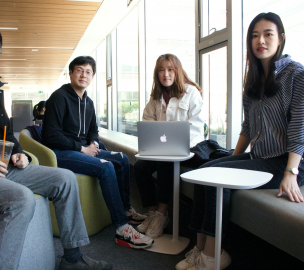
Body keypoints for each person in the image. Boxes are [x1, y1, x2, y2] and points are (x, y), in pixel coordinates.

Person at [0, 19, 112, 270]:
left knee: (65, 179)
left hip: (4, 167)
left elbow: (6, 134)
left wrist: (19, 153)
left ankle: (72, 259)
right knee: (22, 199)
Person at [176, 12, 304, 270]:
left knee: (216, 179)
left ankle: (214, 255)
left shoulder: (296, 74)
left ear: (281, 38)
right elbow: (247, 127)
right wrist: (230, 159)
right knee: (206, 171)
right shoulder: (253, 79)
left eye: (268, 34)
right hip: (261, 157)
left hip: (287, 162)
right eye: (255, 35)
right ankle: (199, 248)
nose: (261, 41)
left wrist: (291, 171)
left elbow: (300, 128)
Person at [42, 56, 154, 249]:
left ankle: (126, 209)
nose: (83, 75)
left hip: (83, 149)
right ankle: (121, 228)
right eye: (79, 70)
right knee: (106, 167)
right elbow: (51, 135)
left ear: (92, 76)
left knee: (121, 159)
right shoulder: (59, 97)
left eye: (88, 72)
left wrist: (93, 144)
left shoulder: (89, 102)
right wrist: (82, 148)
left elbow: (94, 130)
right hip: (60, 152)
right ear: (70, 73)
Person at [134, 54, 204, 239]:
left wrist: (176, 143)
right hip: (161, 150)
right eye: (161, 70)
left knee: (166, 162)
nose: (166, 74)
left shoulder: (191, 92)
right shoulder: (155, 97)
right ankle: (153, 211)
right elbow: (148, 123)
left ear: (177, 71)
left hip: (188, 151)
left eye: (170, 69)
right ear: (157, 74)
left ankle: (163, 214)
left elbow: (197, 127)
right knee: (140, 167)